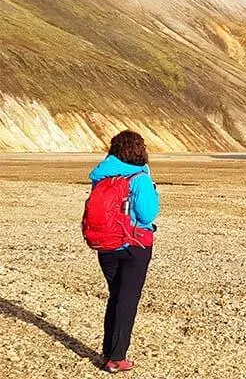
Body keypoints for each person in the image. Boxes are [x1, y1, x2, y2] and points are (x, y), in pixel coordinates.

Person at [87, 130, 159, 373]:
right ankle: (116, 358)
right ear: (139, 150)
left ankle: (110, 352)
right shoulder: (140, 177)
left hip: (106, 246)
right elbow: (148, 214)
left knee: (116, 297)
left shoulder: (101, 175)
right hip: (134, 246)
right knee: (126, 301)